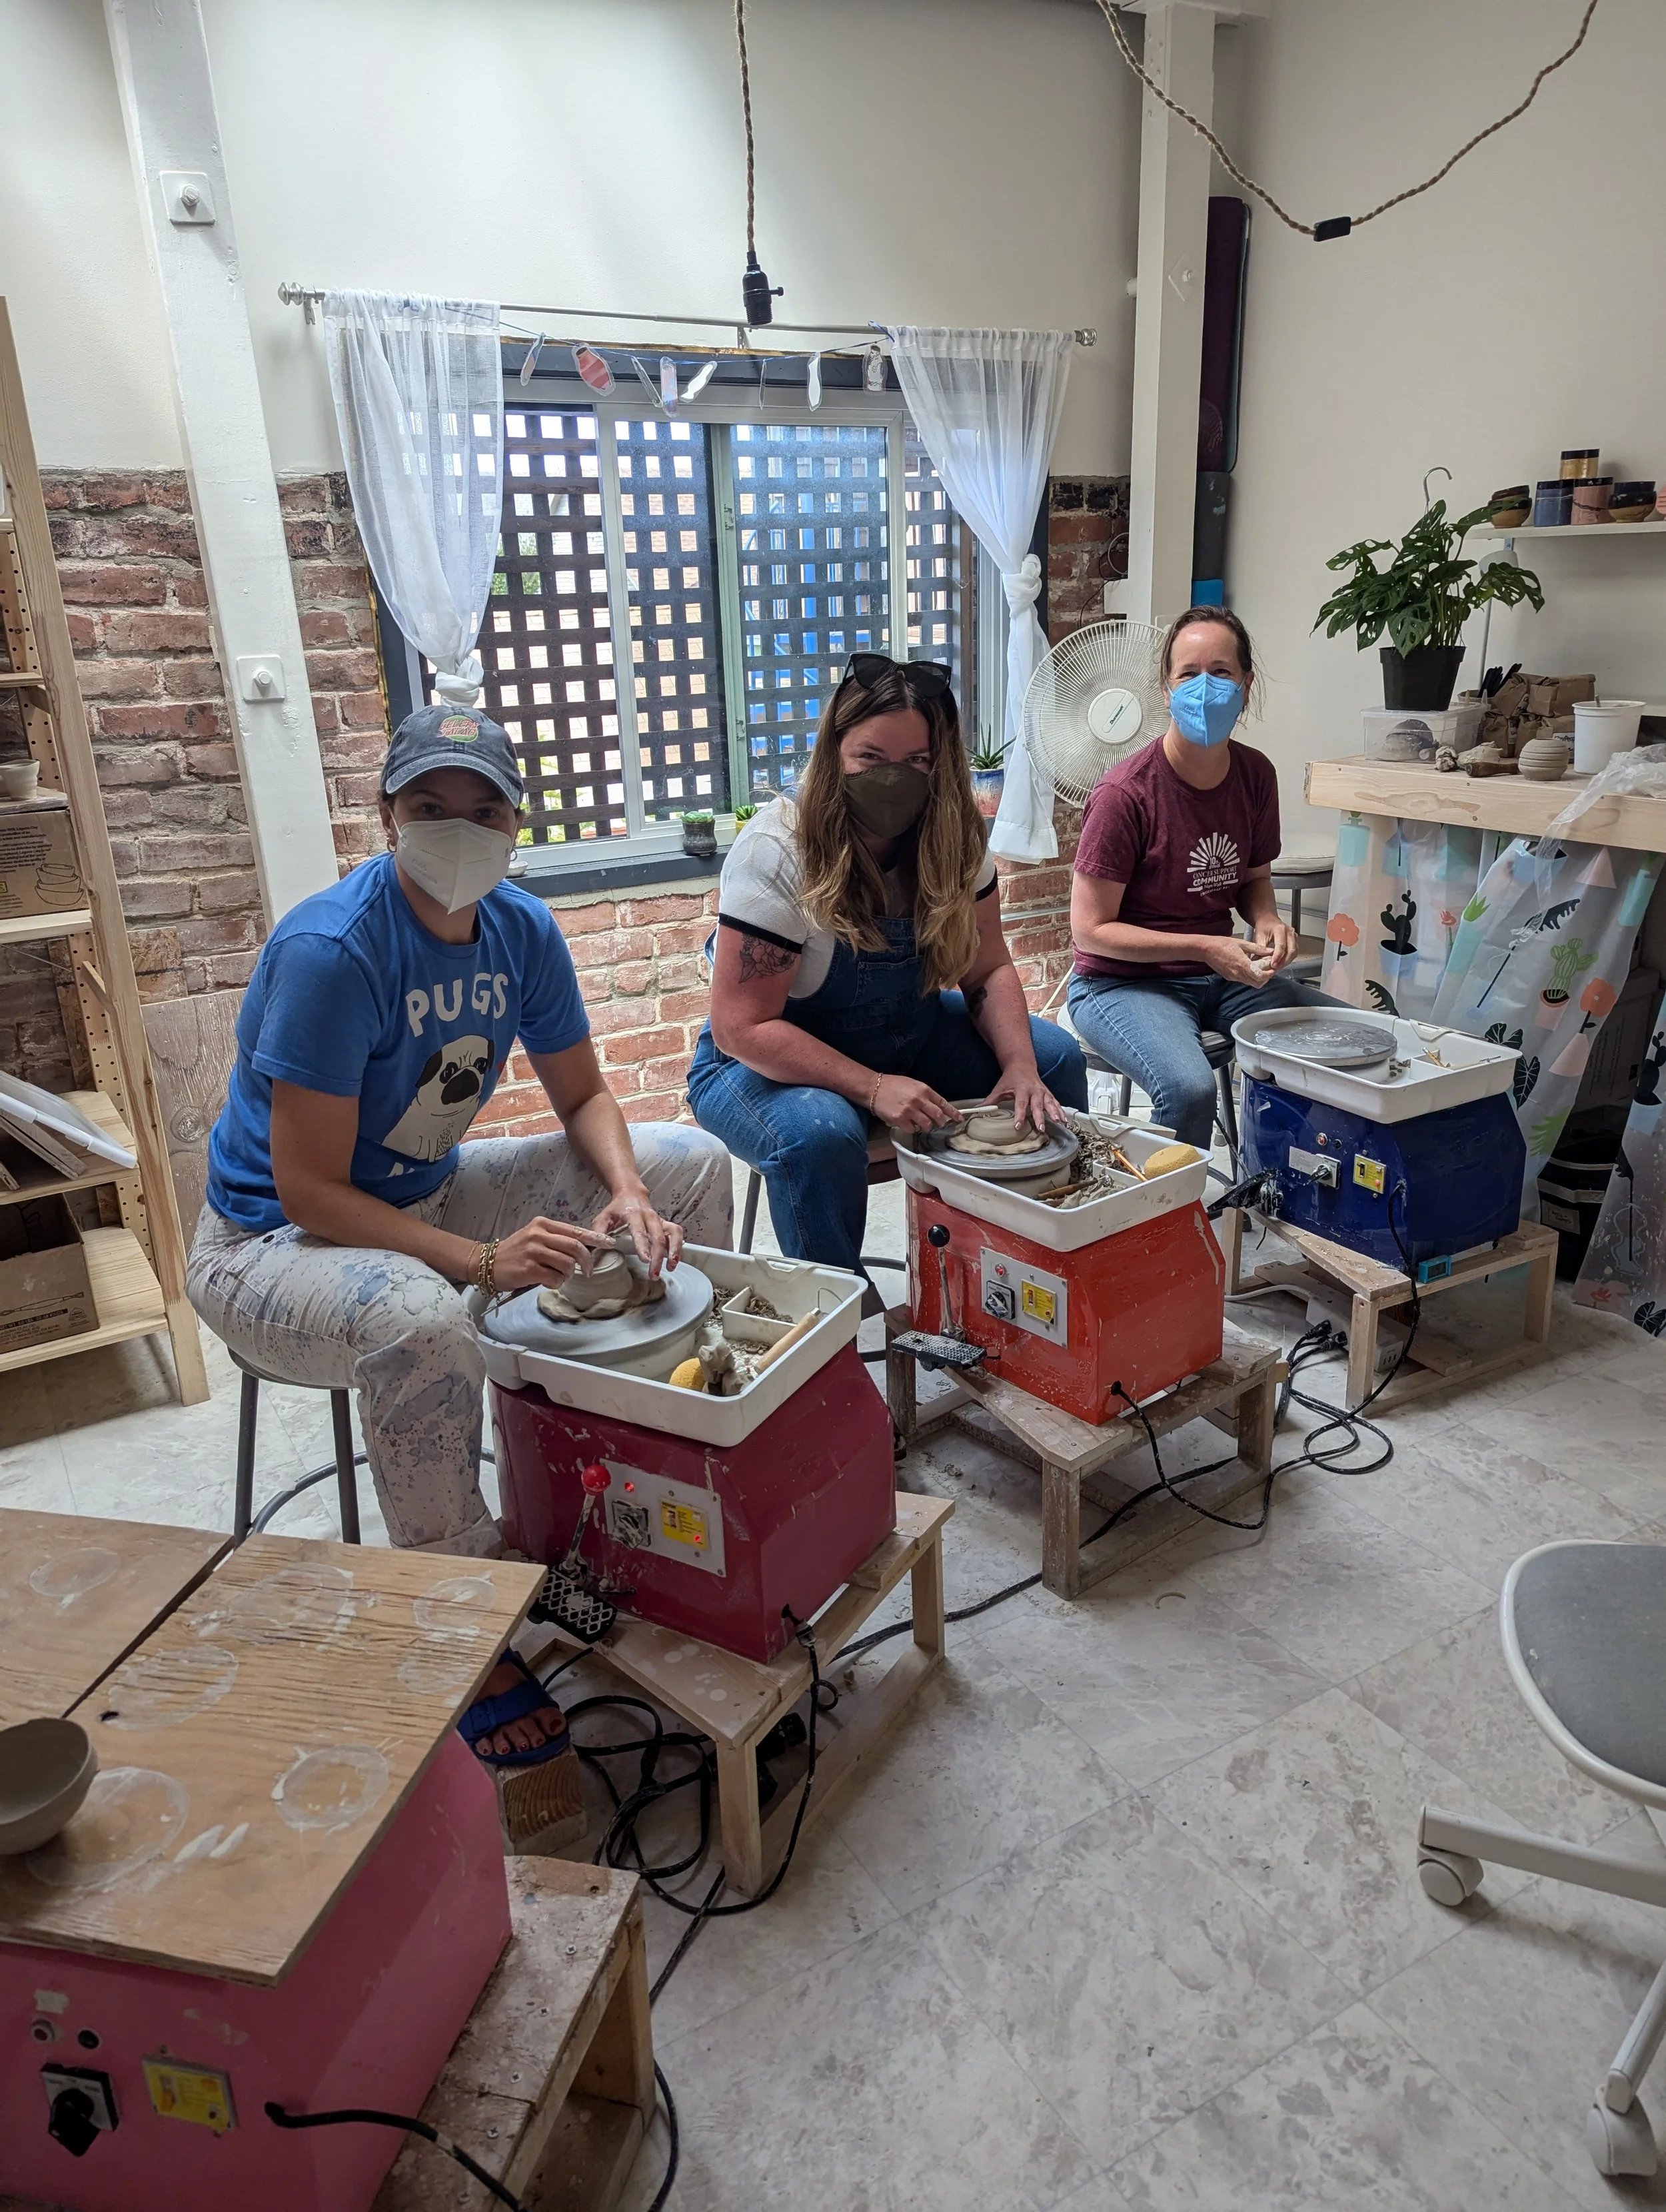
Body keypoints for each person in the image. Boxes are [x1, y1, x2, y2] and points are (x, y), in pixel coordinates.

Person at [189, 702, 732, 1764]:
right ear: (384, 813)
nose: (458, 830)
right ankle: (472, 1611)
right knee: (424, 1321)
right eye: (430, 806)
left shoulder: (519, 928)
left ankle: (658, 1461)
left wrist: (624, 1189)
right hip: (268, 1249)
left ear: (517, 826)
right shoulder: (334, 951)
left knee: (687, 1163)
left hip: (418, 1194)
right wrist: (481, 1264)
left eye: (485, 810)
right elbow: (306, 1191)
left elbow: (582, 1096)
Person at [686, 652, 1088, 1277]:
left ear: (942, 763)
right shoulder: (778, 850)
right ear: (835, 749)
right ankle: (835, 1322)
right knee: (822, 1134)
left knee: (1053, 1060)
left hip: (905, 1034)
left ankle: (1029, 1272)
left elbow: (986, 970)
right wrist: (872, 1088)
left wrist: (1018, 1065)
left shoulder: (955, 839)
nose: (894, 779)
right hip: (760, 1062)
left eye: (917, 762)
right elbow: (743, 1028)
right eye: (872, 758)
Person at [1068, 606, 1335, 1151]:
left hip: (1218, 976)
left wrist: (1267, 919)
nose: (1204, 688)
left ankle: (1292, 1201)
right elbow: (1090, 931)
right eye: (1188, 675)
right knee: (1189, 1090)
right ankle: (1167, 1229)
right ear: (1165, 691)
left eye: (1221, 673)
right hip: (1120, 983)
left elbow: (1254, 878)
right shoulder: (1126, 796)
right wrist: (1208, 947)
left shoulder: (1256, 775)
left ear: (1246, 685)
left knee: (1352, 1039)